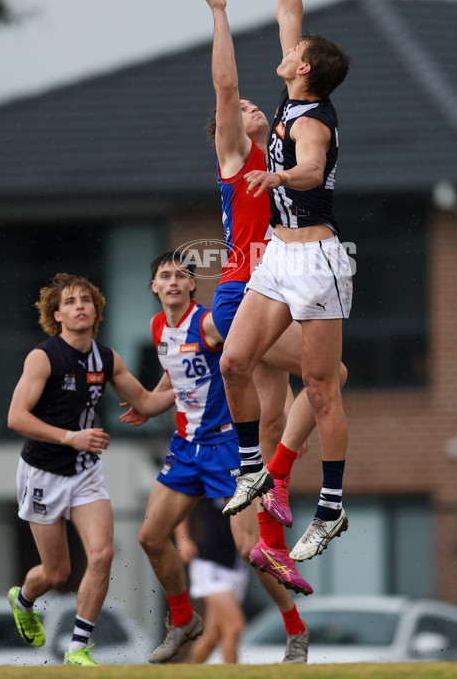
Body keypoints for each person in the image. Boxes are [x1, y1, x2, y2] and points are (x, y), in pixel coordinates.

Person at [219, 0, 353, 564]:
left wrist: (278, 178)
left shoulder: (313, 120)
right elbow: (286, 11)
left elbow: (311, 169)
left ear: (303, 68)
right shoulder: (292, 92)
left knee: (323, 388)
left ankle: (330, 506)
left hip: (317, 261)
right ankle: (253, 467)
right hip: (277, 256)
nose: (288, 45)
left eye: (295, 51)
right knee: (234, 361)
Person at [118, 251, 310, 664]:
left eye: (180, 276)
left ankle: (296, 628)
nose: (172, 281)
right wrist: (148, 405)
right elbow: (175, 376)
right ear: (153, 287)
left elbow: (259, 350)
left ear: (192, 285)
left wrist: (288, 409)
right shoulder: (157, 328)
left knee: (250, 548)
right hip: (186, 448)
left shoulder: (209, 323)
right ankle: (183, 620)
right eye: (164, 276)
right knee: (150, 537)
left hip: (227, 448)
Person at [6, 272, 171, 667]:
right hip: (42, 473)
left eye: (86, 300)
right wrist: (70, 437)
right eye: (70, 301)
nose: (79, 306)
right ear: (57, 315)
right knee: (56, 573)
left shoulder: (106, 359)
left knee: (101, 553)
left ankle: (77, 647)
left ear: (96, 310)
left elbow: (148, 403)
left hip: (85, 474)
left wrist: (188, 377)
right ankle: (23, 599)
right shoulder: (43, 357)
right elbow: (16, 417)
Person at [174, 498, 248, 664]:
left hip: (237, 568)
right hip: (210, 565)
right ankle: (233, 675)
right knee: (235, 626)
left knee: (212, 636)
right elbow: (181, 502)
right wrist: (182, 539)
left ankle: (184, 672)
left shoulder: (247, 484)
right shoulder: (211, 483)